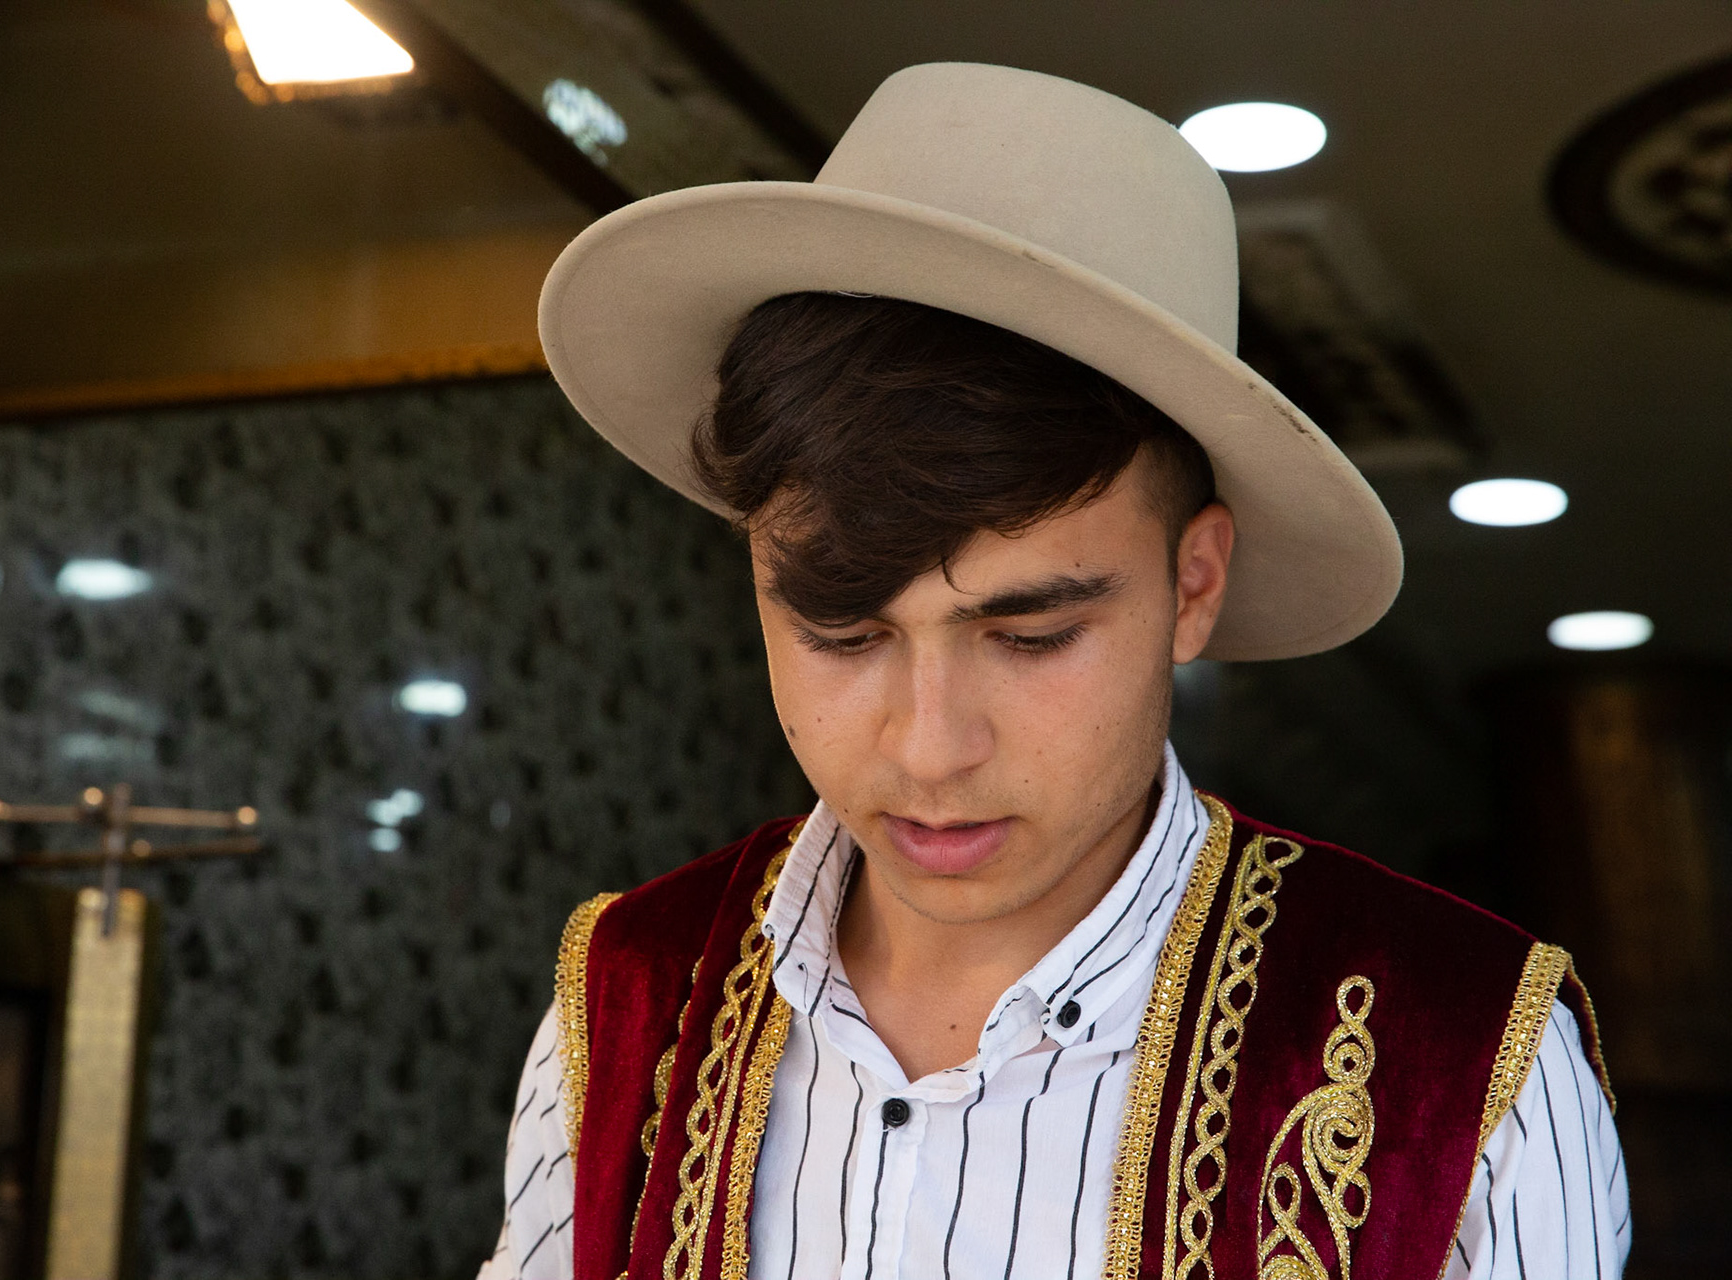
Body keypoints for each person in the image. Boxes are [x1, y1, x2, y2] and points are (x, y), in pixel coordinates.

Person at [481, 64, 1627, 1280]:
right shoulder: (622, 1007)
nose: (930, 747)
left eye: (1031, 637)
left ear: (1194, 583)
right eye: (842, 632)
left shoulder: (1465, 1068)